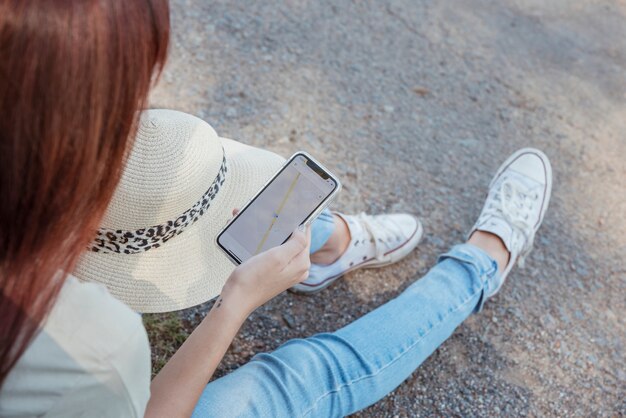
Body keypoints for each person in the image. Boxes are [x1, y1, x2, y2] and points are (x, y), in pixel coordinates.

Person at [0, 1, 552, 417]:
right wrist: (233, 304)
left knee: (178, 189)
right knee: (301, 375)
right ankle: (481, 264)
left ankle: (329, 243)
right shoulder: (95, 343)